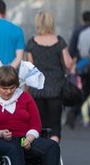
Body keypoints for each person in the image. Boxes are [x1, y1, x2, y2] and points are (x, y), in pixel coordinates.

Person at [25, 11, 73, 142]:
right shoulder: (59, 41)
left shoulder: (31, 43)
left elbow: (29, 68)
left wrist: (26, 90)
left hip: (37, 89)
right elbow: (68, 63)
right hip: (56, 88)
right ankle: (54, 150)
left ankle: (42, 152)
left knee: (39, 124)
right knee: (54, 124)